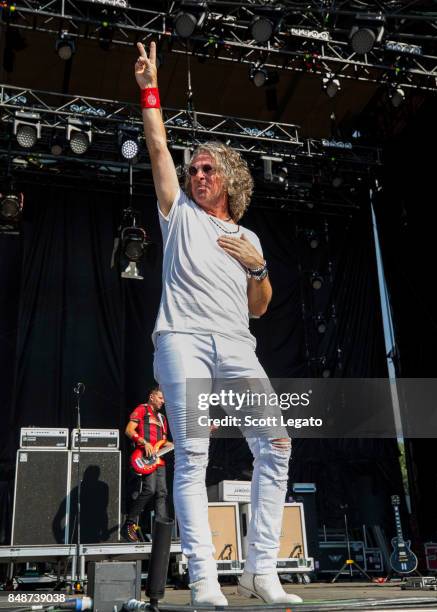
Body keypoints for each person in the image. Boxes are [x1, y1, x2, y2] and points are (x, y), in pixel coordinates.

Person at [134, 41, 303, 606]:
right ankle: (205, 578)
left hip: (236, 344)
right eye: (195, 169)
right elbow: (157, 147)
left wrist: (260, 267)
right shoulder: (177, 212)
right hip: (182, 340)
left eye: (208, 168)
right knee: (195, 451)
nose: (198, 174)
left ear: (228, 178)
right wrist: (149, 88)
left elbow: (260, 306)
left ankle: (260, 571)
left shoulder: (249, 239)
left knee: (276, 445)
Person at [122, 387, 170, 542]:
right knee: (150, 489)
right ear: (152, 396)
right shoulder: (142, 409)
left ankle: (161, 533)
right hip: (144, 457)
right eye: (161, 398)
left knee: (162, 493)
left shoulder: (162, 418)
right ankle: (129, 523)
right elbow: (129, 430)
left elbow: (163, 442)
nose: (163, 401)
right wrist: (144, 442)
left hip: (159, 459)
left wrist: (177, 444)